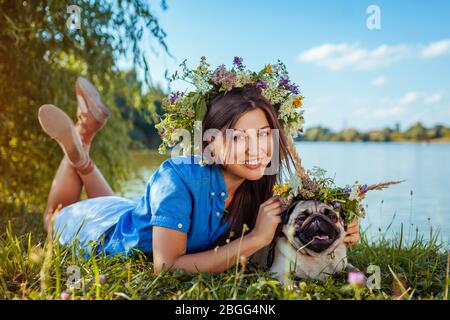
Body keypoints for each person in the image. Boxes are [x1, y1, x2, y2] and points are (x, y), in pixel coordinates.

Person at [38, 76, 360, 275]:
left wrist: (339, 231)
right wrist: (254, 240)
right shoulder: (177, 178)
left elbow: (303, 221)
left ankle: (83, 144)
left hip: (134, 213)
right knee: (53, 218)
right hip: (102, 234)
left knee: (129, 213)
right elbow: (165, 267)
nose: (256, 149)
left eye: (263, 134)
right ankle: (79, 144)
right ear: (211, 145)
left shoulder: (260, 184)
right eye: (237, 138)